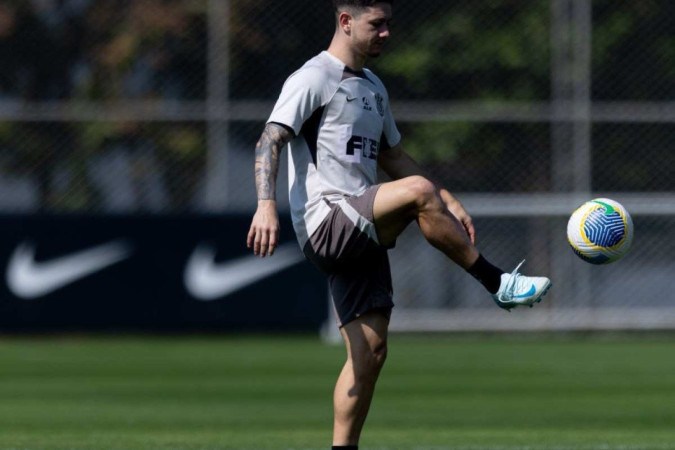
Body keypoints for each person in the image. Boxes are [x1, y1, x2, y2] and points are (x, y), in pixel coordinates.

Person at [247, 1, 552, 448]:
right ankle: (497, 282)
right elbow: (270, 138)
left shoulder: (372, 87)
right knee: (416, 194)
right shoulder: (313, 77)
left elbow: (393, 157)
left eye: (389, 23)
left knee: (369, 354)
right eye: (377, 24)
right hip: (327, 220)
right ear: (346, 22)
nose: (387, 32)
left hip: (361, 222)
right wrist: (264, 204)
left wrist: (446, 198)